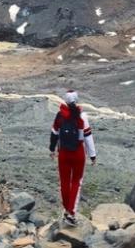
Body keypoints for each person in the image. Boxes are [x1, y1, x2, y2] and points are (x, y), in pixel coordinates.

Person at [49, 90, 96, 226]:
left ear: (65, 101)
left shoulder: (60, 115)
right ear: (76, 100)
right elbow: (88, 137)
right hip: (78, 153)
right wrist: (92, 155)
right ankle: (71, 213)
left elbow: (54, 133)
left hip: (63, 153)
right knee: (76, 182)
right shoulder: (82, 116)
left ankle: (66, 209)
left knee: (64, 182)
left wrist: (52, 149)